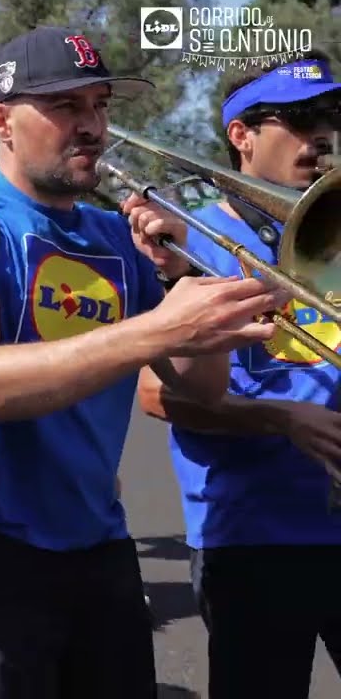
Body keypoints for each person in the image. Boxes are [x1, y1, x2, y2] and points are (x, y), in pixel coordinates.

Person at [0, 26, 287, 698]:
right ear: (1, 122)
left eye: (100, 105)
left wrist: (181, 280)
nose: (93, 126)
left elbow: (202, 391)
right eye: (67, 107)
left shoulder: (118, 237)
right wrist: (157, 328)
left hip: (98, 539)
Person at [136, 50, 341, 699]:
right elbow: (150, 393)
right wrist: (280, 419)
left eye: (331, 113)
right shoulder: (179, 239)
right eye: (300, 117)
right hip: (252, 537)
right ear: (241, 136)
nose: (323, 133)